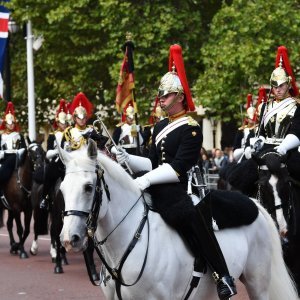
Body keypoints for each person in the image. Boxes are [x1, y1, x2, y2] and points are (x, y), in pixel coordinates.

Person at [113, 44, 236, 300]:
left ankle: (222, 275)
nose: (161, 100)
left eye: (166, 95)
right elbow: (151, 161)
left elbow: (178, 168)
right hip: (155, 183)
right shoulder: (159, 127)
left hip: (179, 188)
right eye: (160, 95)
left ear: (180, 97)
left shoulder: (191, 128)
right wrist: (128, 159)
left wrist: (145, 179)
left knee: (190, 217)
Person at [40, 99, 69, 210]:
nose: (64, 124)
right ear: (57, 122)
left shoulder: (71, 132)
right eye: (62, 122)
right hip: (57, 161)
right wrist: (58, 151)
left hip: (69, 160)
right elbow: (48, 153)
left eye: (65, 122)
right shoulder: (53, 135)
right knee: (48, 174)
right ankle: (45, 198)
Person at [0, 102, 26, 184]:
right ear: (5, 124)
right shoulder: (1, 135)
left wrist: (20, 152)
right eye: (9, 124)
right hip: (3, 157)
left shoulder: (19, 135)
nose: (11, 125)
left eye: (13, 123)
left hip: (16, 157)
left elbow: (23, 148)